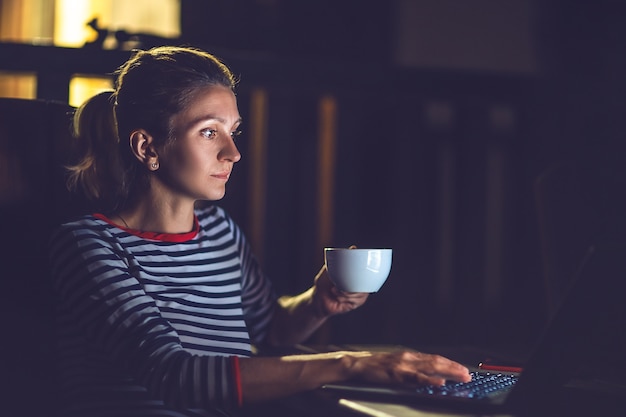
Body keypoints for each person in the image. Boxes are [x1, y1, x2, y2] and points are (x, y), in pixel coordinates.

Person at [48, 45, 471, 417]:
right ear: (147, 148)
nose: (233, 152)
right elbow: (173, 375)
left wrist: (315, 305)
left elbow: (268, 331)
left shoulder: (217, 230)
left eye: (232, 132)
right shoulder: (89, 245)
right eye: (209, 132)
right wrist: (351, 362)